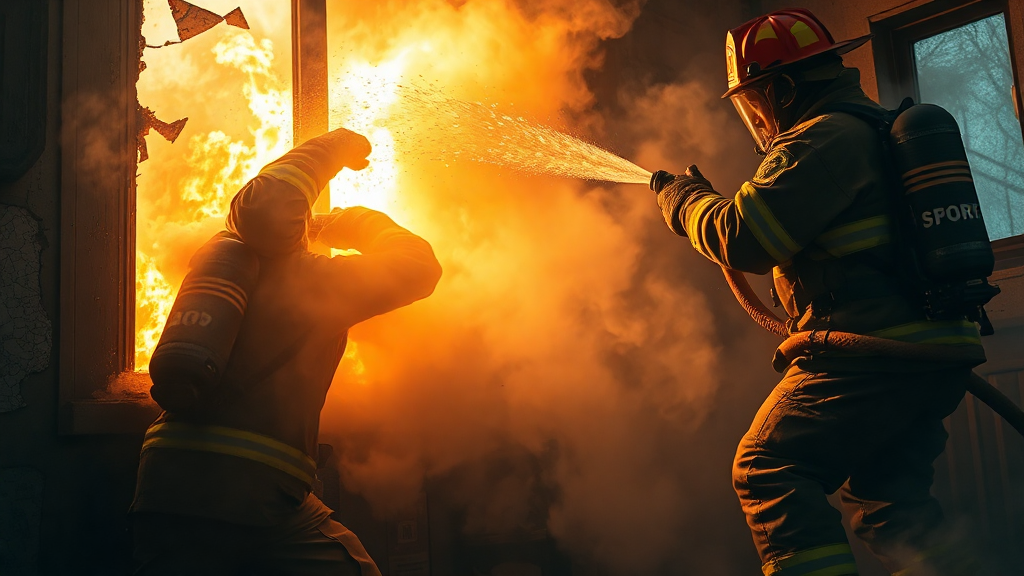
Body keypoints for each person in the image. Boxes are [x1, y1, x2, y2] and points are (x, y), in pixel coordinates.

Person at [650, 9, 984, 576]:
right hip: (930, 353)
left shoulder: (822, 137)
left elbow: (744, 237)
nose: (756, 118)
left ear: (782, 90)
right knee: (891, 506)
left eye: (755, 101)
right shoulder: (870, 129)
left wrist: (684, 203)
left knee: (766, 469)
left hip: (871, 354)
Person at [130, 127, 442, 575]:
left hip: (164, 480)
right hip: (254, 488)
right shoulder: (314, 282)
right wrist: (354, 222)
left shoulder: (218, 263)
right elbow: (419, 267)